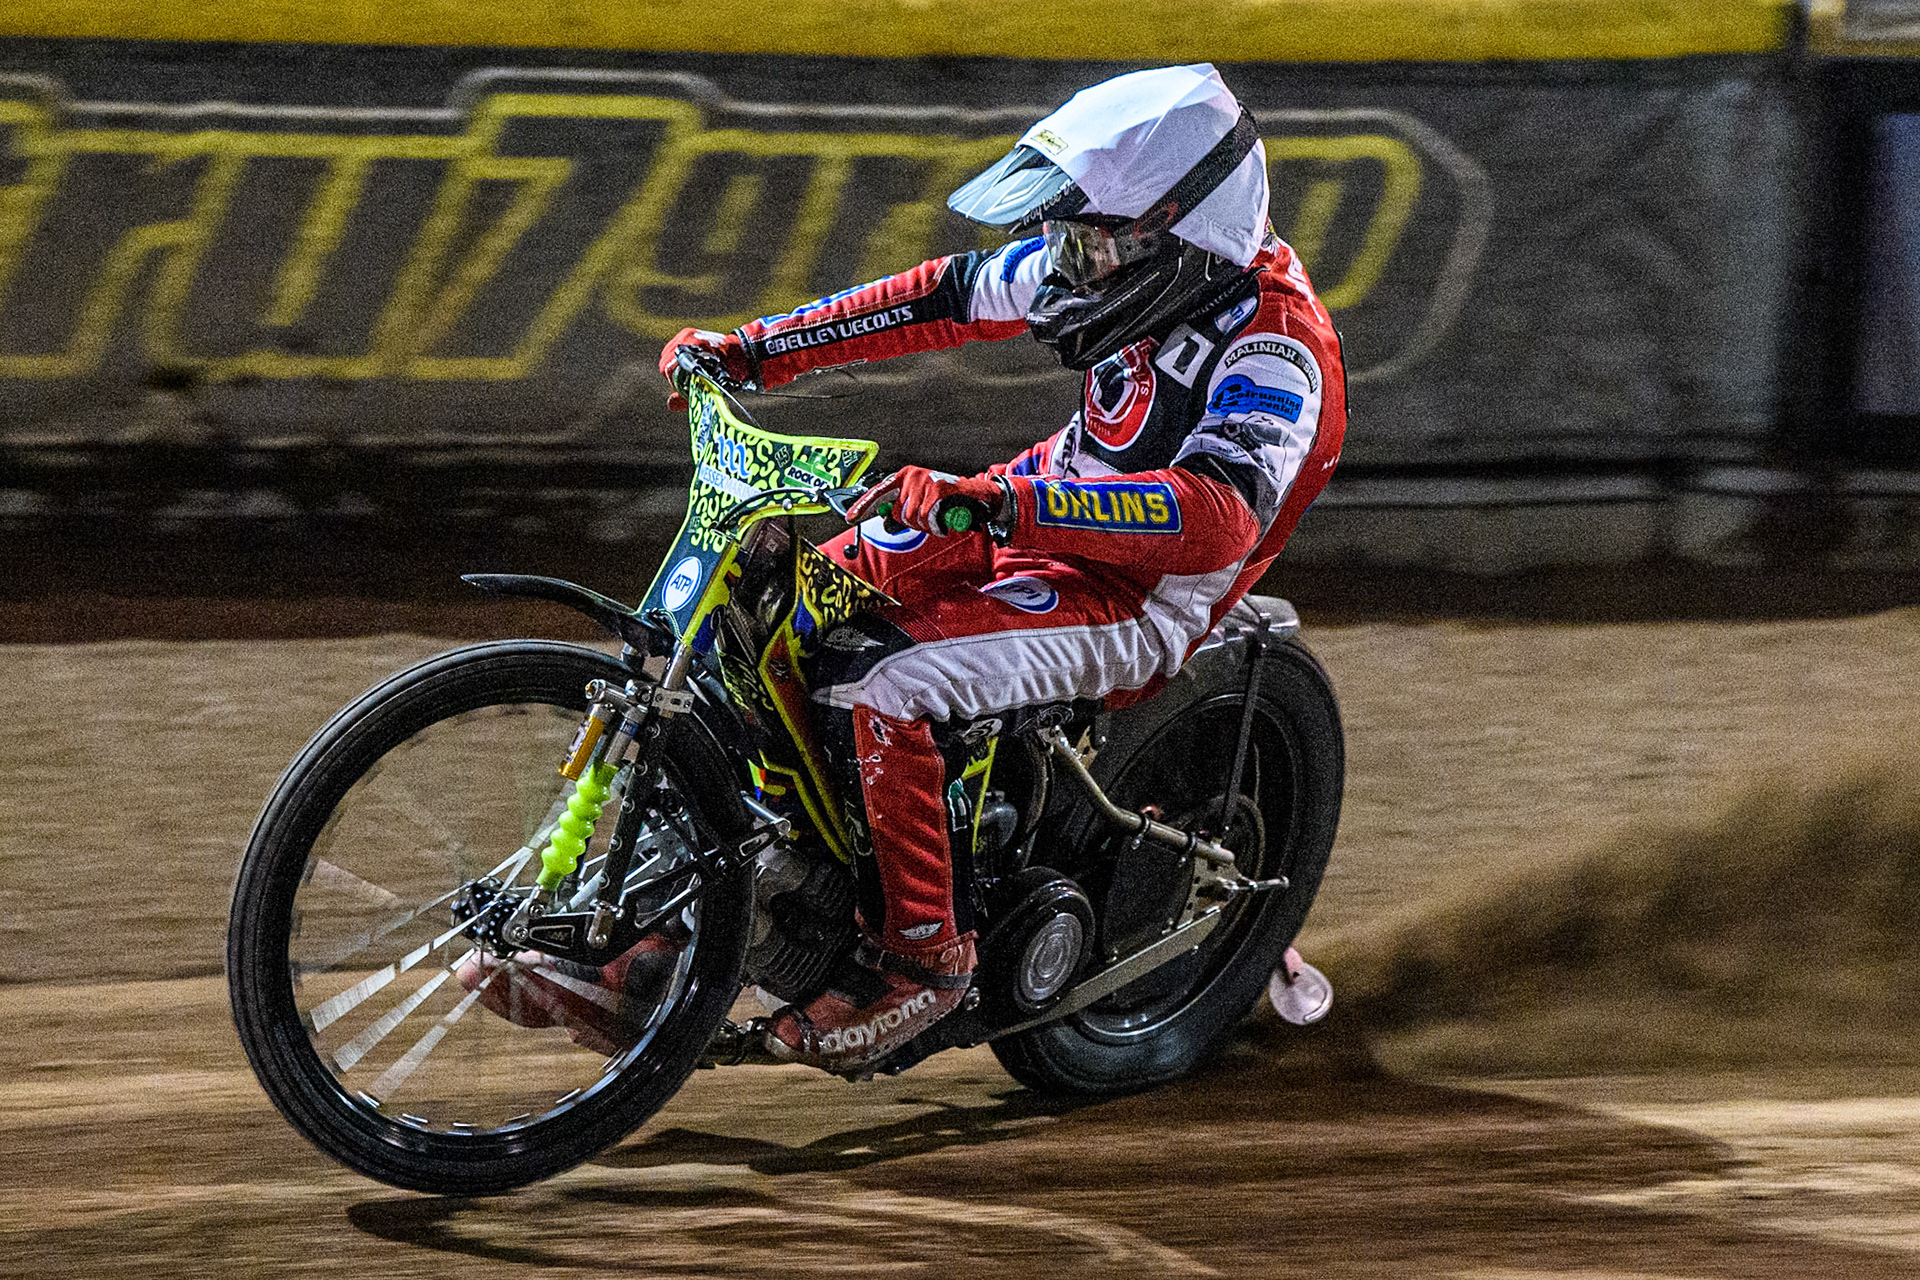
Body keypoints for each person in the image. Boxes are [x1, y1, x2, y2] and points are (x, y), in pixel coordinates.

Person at [468, 63, 1347, 1074]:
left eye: (1093, 238)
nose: (1068, 260)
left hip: (1138, 592)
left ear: (1181, 236)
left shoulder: (1275, 353)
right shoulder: (1119, 263)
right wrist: (756, 350)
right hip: (1042, 506)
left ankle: (925, 959)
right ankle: (694, 920)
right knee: (780, 615)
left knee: (884, 673)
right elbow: (946, 293)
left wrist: (1003, 502)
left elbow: (1218, 518)